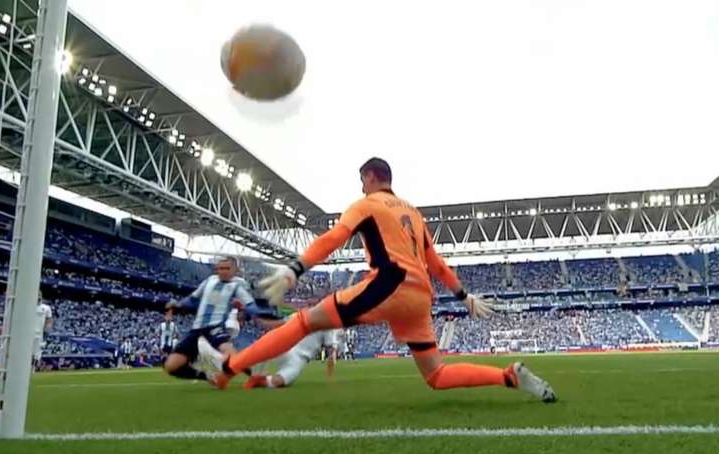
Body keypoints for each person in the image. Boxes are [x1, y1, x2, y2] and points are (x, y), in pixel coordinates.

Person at [213, 157, 556, 402]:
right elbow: (435, 262)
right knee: (436, 374)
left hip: (390, 284)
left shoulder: (368, 204)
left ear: (372, 177)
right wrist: (463, 295)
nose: (361, 187)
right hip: (420, 295)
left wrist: (296, 268)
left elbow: (333, 238)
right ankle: (507, 376)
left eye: (363, 180)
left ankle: (230, 368)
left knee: (305, 321)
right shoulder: (414, 213)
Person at [163, 257, 266, 381]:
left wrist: (264, 316)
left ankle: (254, 375)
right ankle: (208, 376)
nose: (223, 271)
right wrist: (178, 304)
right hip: (196, 330)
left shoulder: (235, 286)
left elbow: (250, 305)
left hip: (215, 327)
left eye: (227, 268)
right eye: (221, 268)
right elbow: (192, 300)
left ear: (234, 270)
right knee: (171, 366)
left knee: (231, 356)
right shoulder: (209, 281)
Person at [34, 291, 53, 371]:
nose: (38, 296)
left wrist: (45, 335)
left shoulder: (46, 308)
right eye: (37, 295)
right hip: (27, 334)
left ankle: (33, 370)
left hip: (39, 335)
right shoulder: (28, 306)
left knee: (36, 355)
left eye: (39, 295)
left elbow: (49, 321)